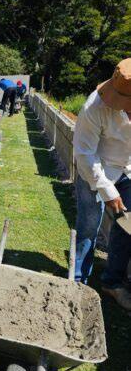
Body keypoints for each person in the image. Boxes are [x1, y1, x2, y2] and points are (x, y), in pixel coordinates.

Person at [73, 58, 131, 310]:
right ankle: (78, 283)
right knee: (88, 225)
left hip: (128, 169)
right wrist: (106, 190)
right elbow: (85, 154)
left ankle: (112, 282)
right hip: (96, 171)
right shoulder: (93, 107)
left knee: (127, 227)